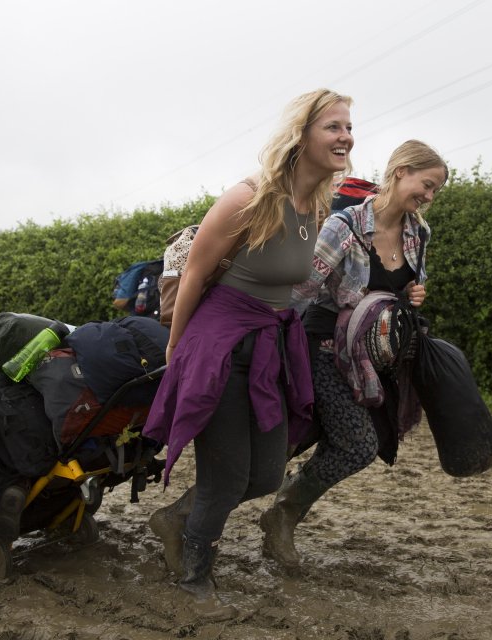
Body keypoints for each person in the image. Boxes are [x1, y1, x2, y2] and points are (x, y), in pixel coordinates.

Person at [141, 88, 354, 615]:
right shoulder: (249, 198)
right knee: (227, 474)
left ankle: (176, 521)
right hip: (222, 343)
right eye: (333, 127)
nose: (346, 136)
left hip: (271, 341)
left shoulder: (319, 203)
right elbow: (192, 273)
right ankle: (194, 577)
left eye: (349, 127)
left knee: (264, 475)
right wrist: (179, 349)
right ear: (301, 134)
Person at [258, 139, 448, 569]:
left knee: (353, 440)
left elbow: (404, 287)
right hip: (322, 347)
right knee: (358, 443)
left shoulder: (420, 232)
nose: (429, 197)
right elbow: (302, 289)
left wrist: (413, 293)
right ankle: (281, 513)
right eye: (427, 184)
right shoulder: (345, 225)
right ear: (400, 171)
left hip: (371, 357)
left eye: (436, 190)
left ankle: (281, 511)